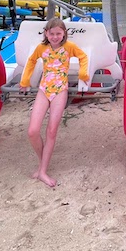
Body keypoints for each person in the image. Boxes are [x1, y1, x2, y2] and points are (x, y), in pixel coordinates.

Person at [19, 17, 89, 187]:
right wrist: (25, 81)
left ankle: (42, 170)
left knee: (51, 131)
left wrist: (82, 74)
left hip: (60, 91)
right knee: (32, 131)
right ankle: (43, 163)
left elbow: (83, 57)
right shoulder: (41, 48)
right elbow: (31, 61)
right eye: (52, 33)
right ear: (46, 33)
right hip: (44, 90)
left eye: (59, 33)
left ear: (64, 33)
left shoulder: (69, 47)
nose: (56, 37)